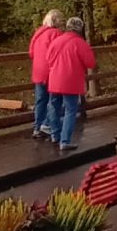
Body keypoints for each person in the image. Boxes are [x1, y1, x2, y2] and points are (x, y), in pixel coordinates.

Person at [45, 17, 95, 152]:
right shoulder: (80, 43)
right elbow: (90, 63)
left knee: (54, 106)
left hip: (55, 79)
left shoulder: (56, 41)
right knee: (70, 110)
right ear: (80, 29)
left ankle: (55, 135)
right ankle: (65, 141)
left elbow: (48, 58)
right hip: (71, 81)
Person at [28, 10, 63, 140]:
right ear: (55, 21)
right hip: (51, 71)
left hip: (38, 71)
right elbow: (60, 53)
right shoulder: (56, 34)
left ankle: (37, 127)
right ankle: (48, 125)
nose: (62, 22)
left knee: (40, 100)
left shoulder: (38, 34)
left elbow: (31, 53)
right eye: (60, 19)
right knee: (54, 101)